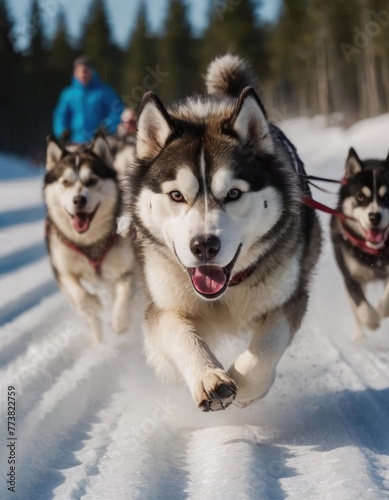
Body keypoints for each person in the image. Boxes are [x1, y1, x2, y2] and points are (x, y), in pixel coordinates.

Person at [53, 56, 124, 143]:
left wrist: (107, 126)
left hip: (100, 141)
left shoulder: (104, 91)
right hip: (75, 141)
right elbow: (60, 116)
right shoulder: (68, 94)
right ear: (75, 73)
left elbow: (117, 110)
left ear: (92, 71)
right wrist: (61, 131)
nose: (83, 74)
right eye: (80, 71)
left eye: (86, 71)